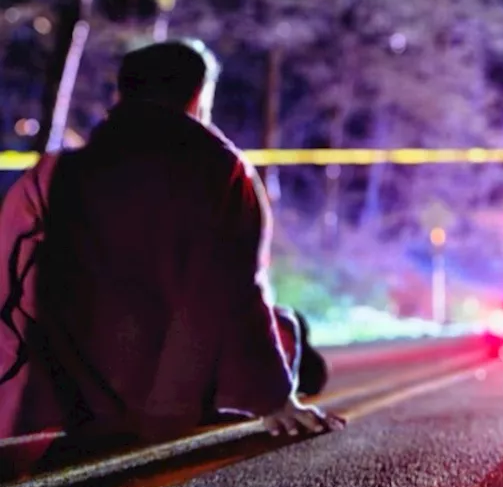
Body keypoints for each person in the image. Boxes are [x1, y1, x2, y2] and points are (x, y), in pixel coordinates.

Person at [0, 39, 342, 440]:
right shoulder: (221, 169)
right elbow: (238, 291)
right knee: (285, 324)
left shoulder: (54, 173)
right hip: (174, 404)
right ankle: (298, 368)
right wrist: (274, 398)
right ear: (198, 96)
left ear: (121, 95)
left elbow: (8, 286)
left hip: (72, 399)